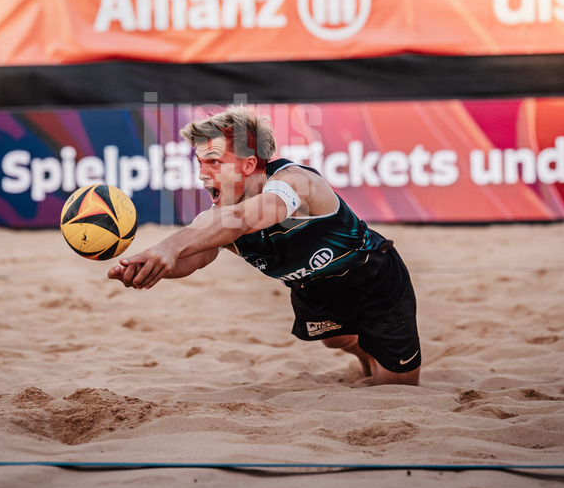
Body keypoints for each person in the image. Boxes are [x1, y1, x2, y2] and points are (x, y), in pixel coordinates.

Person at [107, 106, 422, 386]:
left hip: (373, 280)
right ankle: (366, 349)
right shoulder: (214, 220)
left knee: (395, 389)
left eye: (214, 162)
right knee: (337, 338)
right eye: (200, 162)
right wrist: (153, 267)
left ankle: (378, 353)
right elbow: (196, 255)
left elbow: (244, 219)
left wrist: (170, 245)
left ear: (248, 165)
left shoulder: (296, 182)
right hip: (313, 291)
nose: (202, 174)